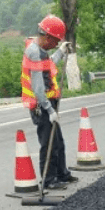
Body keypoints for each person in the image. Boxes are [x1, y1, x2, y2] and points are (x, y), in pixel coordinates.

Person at [21, 15, 78, 189]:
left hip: (47, 103)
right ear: (47, 37)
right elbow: (38, 89)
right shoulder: (35, 53)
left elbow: (49, 65)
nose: (55, 44)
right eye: (55, 42)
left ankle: (62, 173)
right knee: (49, 144)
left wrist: (60, 51)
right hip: (42, 106)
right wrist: (49, 110)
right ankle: (49, 180)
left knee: (58, 142)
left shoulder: (41, 51)